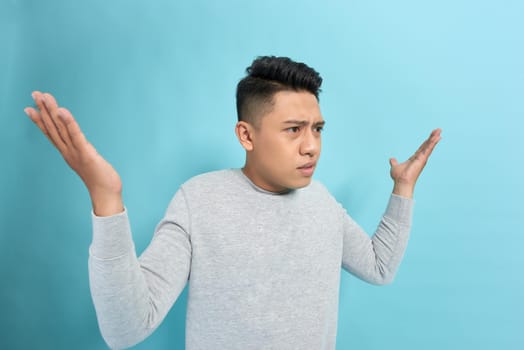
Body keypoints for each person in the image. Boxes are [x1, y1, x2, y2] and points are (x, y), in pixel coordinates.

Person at [25, 56, 441, 350]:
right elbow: (126, 329)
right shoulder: (198, 200)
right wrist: (106, 198)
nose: (311, 146)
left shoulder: (321, 201)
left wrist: (403, 189)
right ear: (246, 135)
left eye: (317, 128)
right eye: (293, 129)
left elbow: (379, 267)